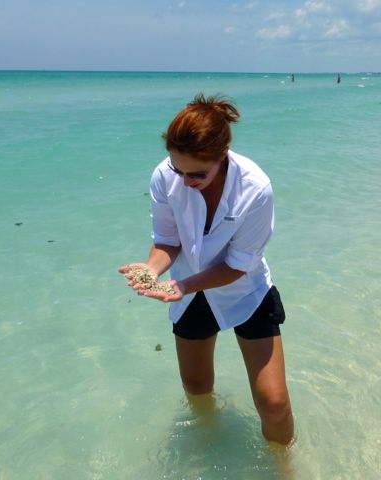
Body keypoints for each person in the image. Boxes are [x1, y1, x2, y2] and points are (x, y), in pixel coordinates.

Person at [118, 94, 294, 446]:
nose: (184, 181)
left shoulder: (256, 189)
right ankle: (208, 448)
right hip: (187, 290)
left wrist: (183, 285)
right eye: (177, 170)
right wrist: (152, 270)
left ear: (223, 156)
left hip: (245, 290)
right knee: (197, 388)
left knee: (273, 403)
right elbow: (168, 241)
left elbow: (238, 266)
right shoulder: (163, 176)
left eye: (197, 174)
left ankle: (284, 467)